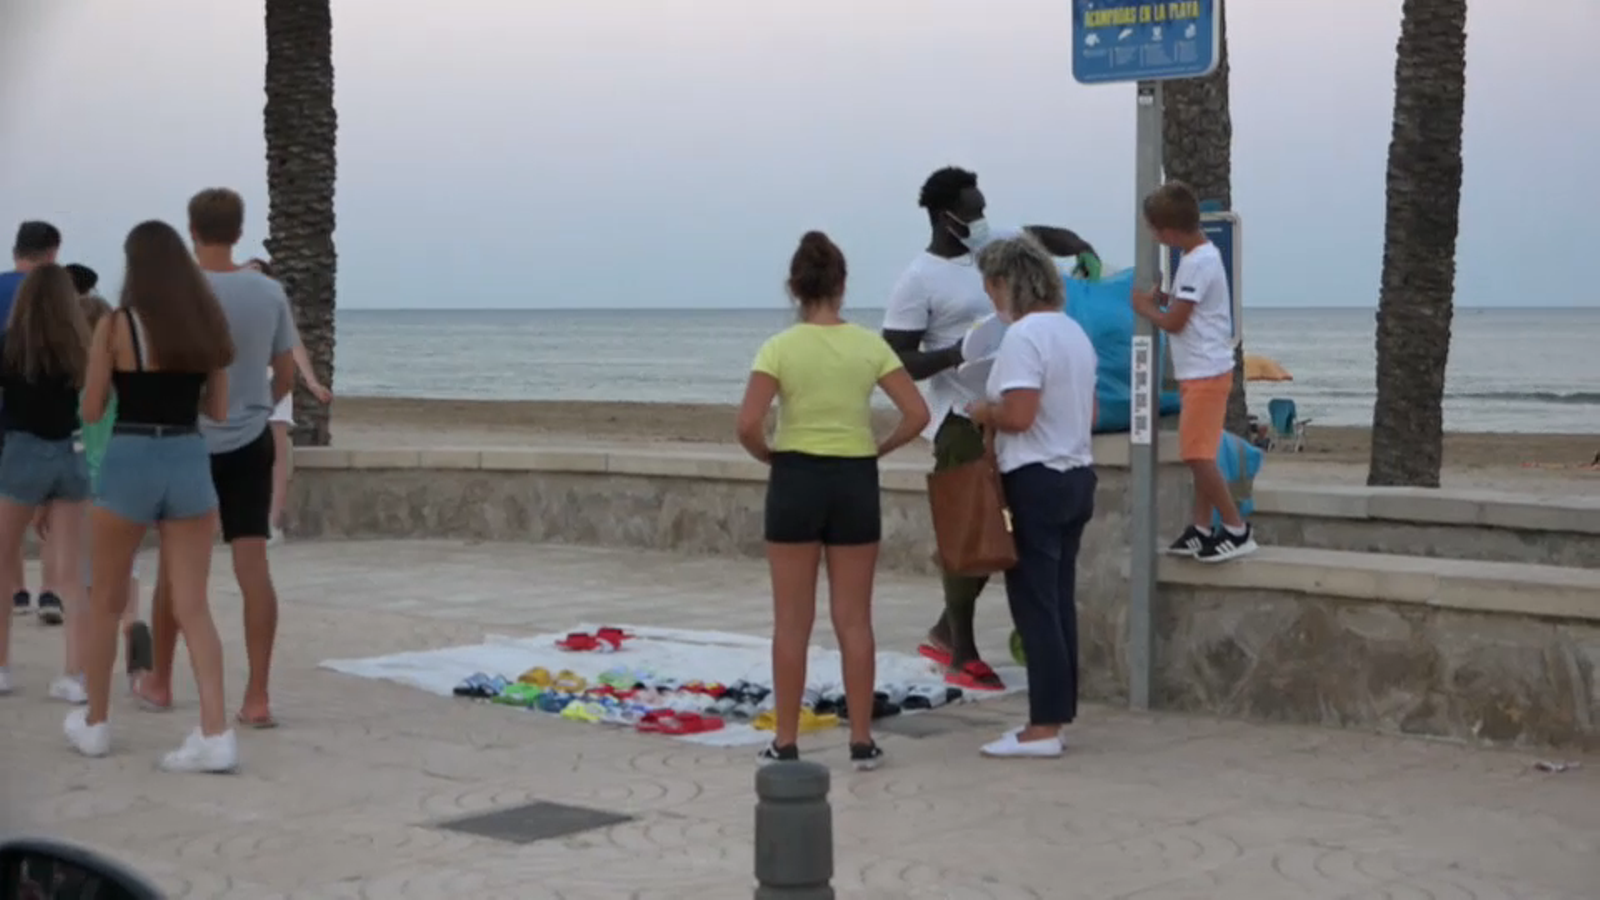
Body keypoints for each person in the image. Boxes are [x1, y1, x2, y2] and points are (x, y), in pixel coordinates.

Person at [882, 166, 1099, 691]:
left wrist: (1083, 249)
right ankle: (962, 650)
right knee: (972, 529)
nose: (981, 219)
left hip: (1019, 411)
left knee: (1012, 533)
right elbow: (895, 358)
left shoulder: (999, 246)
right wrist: (957, 353)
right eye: (972, 211)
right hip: (962, 419)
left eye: (983, 208)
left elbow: (1049, 239)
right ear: (944, 217)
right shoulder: (919, 279)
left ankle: (943, 629)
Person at [736, 230, 929, 770]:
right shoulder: (868, 345)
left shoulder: (779, 348)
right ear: (842, 286)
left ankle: (788, 741)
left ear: (795, 288)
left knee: (791, 622)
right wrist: (877, 448)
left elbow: (748, 423)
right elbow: (917, 414)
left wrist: (769, 456)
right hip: (854, 478)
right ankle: (862, 740)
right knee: (855, 619)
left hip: (797, 476)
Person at [67, 219, 238, 772]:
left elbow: (91, 409)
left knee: (106, 600)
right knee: (194, 603)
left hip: (131, 458)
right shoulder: (207, 326)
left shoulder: (116, 326)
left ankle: (95, 723)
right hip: (188, 458)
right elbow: (217, 411)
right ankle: (216, 732)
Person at [138, 190, 296, 729]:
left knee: (176, 569)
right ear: (238, 228)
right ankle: (257, 696)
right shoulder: (267, 291)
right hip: (251, 438)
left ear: (192, 228)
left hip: (186, 440)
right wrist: (260, 407)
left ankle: (159, 680)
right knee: (252, 566)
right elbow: (288, 372)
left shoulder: (175, 291)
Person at [966, 235, 1098, 759]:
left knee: (1035, 603)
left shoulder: (1024, 337)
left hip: (1036, 478)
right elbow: (1084, 414)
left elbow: (1018, 415)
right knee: (1058, 599)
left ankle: (1043, 725)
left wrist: (983, 411)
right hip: (1076, 474)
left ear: (1005, 284)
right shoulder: (1074, 335)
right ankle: (1057, 711)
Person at [1131, 181, 1257, 562]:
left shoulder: (1197, 262)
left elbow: (1173, 324)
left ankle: (1236, 528)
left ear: (1168, 232)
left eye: (1154, 230)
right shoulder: (1200, 258)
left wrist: (1143, 307)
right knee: (1203, 450)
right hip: (1200, 371)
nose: (1154, 236)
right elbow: (1189, 309)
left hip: (1205, 372)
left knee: (1196, 455)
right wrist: (1167, 301)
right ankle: (1200, 527)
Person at [0, 265, 92, 700]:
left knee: (3, 561)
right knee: (71, 571)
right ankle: (75, 675)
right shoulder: (81, 350)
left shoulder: (10, 348)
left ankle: (2, 666)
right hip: (71, 454)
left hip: (23, 452)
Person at [71, 278, 153, 694]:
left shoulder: (78, 387)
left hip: (88, 489)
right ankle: (139, 671)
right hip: (129, 486)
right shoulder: (124, 387)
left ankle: (86, 674)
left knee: (89, 589)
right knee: (129, 585)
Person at [242, 257, 331, 540]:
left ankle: (273, 522)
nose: (253, 276)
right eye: (247, 272)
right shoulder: (230, 309)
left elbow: (294, 346)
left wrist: (313, 383)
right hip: (244, 388)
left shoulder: (277, 309)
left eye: (258, 271)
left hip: (275, 382)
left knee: (278, 455)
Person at [1, 221, 61, 619]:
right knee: (56, 505)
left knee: (5, 508)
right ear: (52, 253)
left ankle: (16, 591)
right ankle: (51, 592)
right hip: (52, 415)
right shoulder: (58, 294)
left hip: (6, 414)